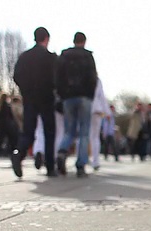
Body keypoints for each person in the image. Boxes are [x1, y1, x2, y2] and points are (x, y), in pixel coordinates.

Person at [12, 27, 58, 178]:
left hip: (30, 98)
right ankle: (50, 166)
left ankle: (19, 153)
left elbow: (16, 75)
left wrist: (25, 90)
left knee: (28, 131)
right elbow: (56, 78)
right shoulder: (50, 58)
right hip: (46, 98)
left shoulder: (25, 57)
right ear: (47, 39)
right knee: (49, 132)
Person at [56, 32, 98, 178]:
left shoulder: (64, 56)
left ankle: (62, 151)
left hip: (68, 97)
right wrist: (90, 95)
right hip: (84, 97)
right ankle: (81, 165)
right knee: (84, 133)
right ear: (84, 41)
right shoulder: (88, 56)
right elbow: (93, 78)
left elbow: (58, 77)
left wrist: (62, 94)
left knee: (69, 131)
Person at [89, 77, 112, 171]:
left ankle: (82, 159)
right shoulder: (97, 80)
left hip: (85, 109)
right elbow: (101, 96)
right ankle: (95, 161)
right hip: (96, 109)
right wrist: (107, 112)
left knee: (82, 136)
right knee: (95, 137)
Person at [0, 94, 19, 159]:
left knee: (0, 143)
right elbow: (11, 116)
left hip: (1, 126)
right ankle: (13, 157)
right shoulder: (7, 106)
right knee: (12, 142)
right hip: (9, 126)